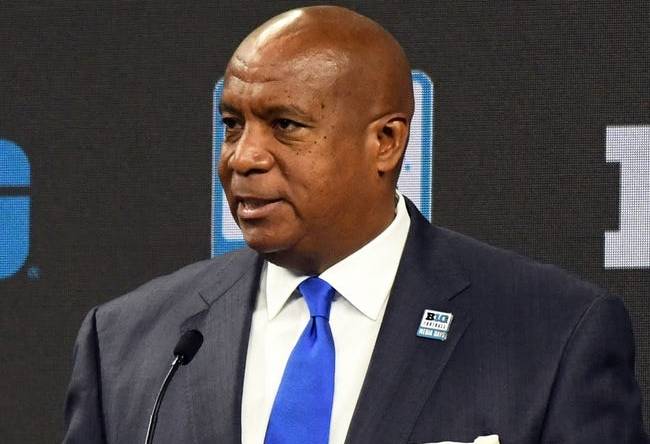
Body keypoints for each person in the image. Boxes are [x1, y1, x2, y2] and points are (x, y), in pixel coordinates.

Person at [63, 6, 648, 444]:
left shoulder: (552, 334)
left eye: (285, 125)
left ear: (386, 143)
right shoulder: (127, 342)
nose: (242, 156)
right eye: (233, 123)